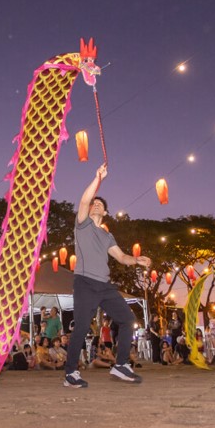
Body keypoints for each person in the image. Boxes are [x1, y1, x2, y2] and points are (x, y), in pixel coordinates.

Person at [63, 164, 152, 388]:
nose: (95, 204)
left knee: (128, 320)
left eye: (100, 204)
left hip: (104, 286)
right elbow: (84, 201)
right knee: (81, 327)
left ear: (105, 213)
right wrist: (98, 179)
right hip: (84, 282)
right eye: (94, 203)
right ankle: (71, 373)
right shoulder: (82, 225)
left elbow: (121, 257)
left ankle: (120, 365)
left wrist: (136, 260)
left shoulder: (107, 236)